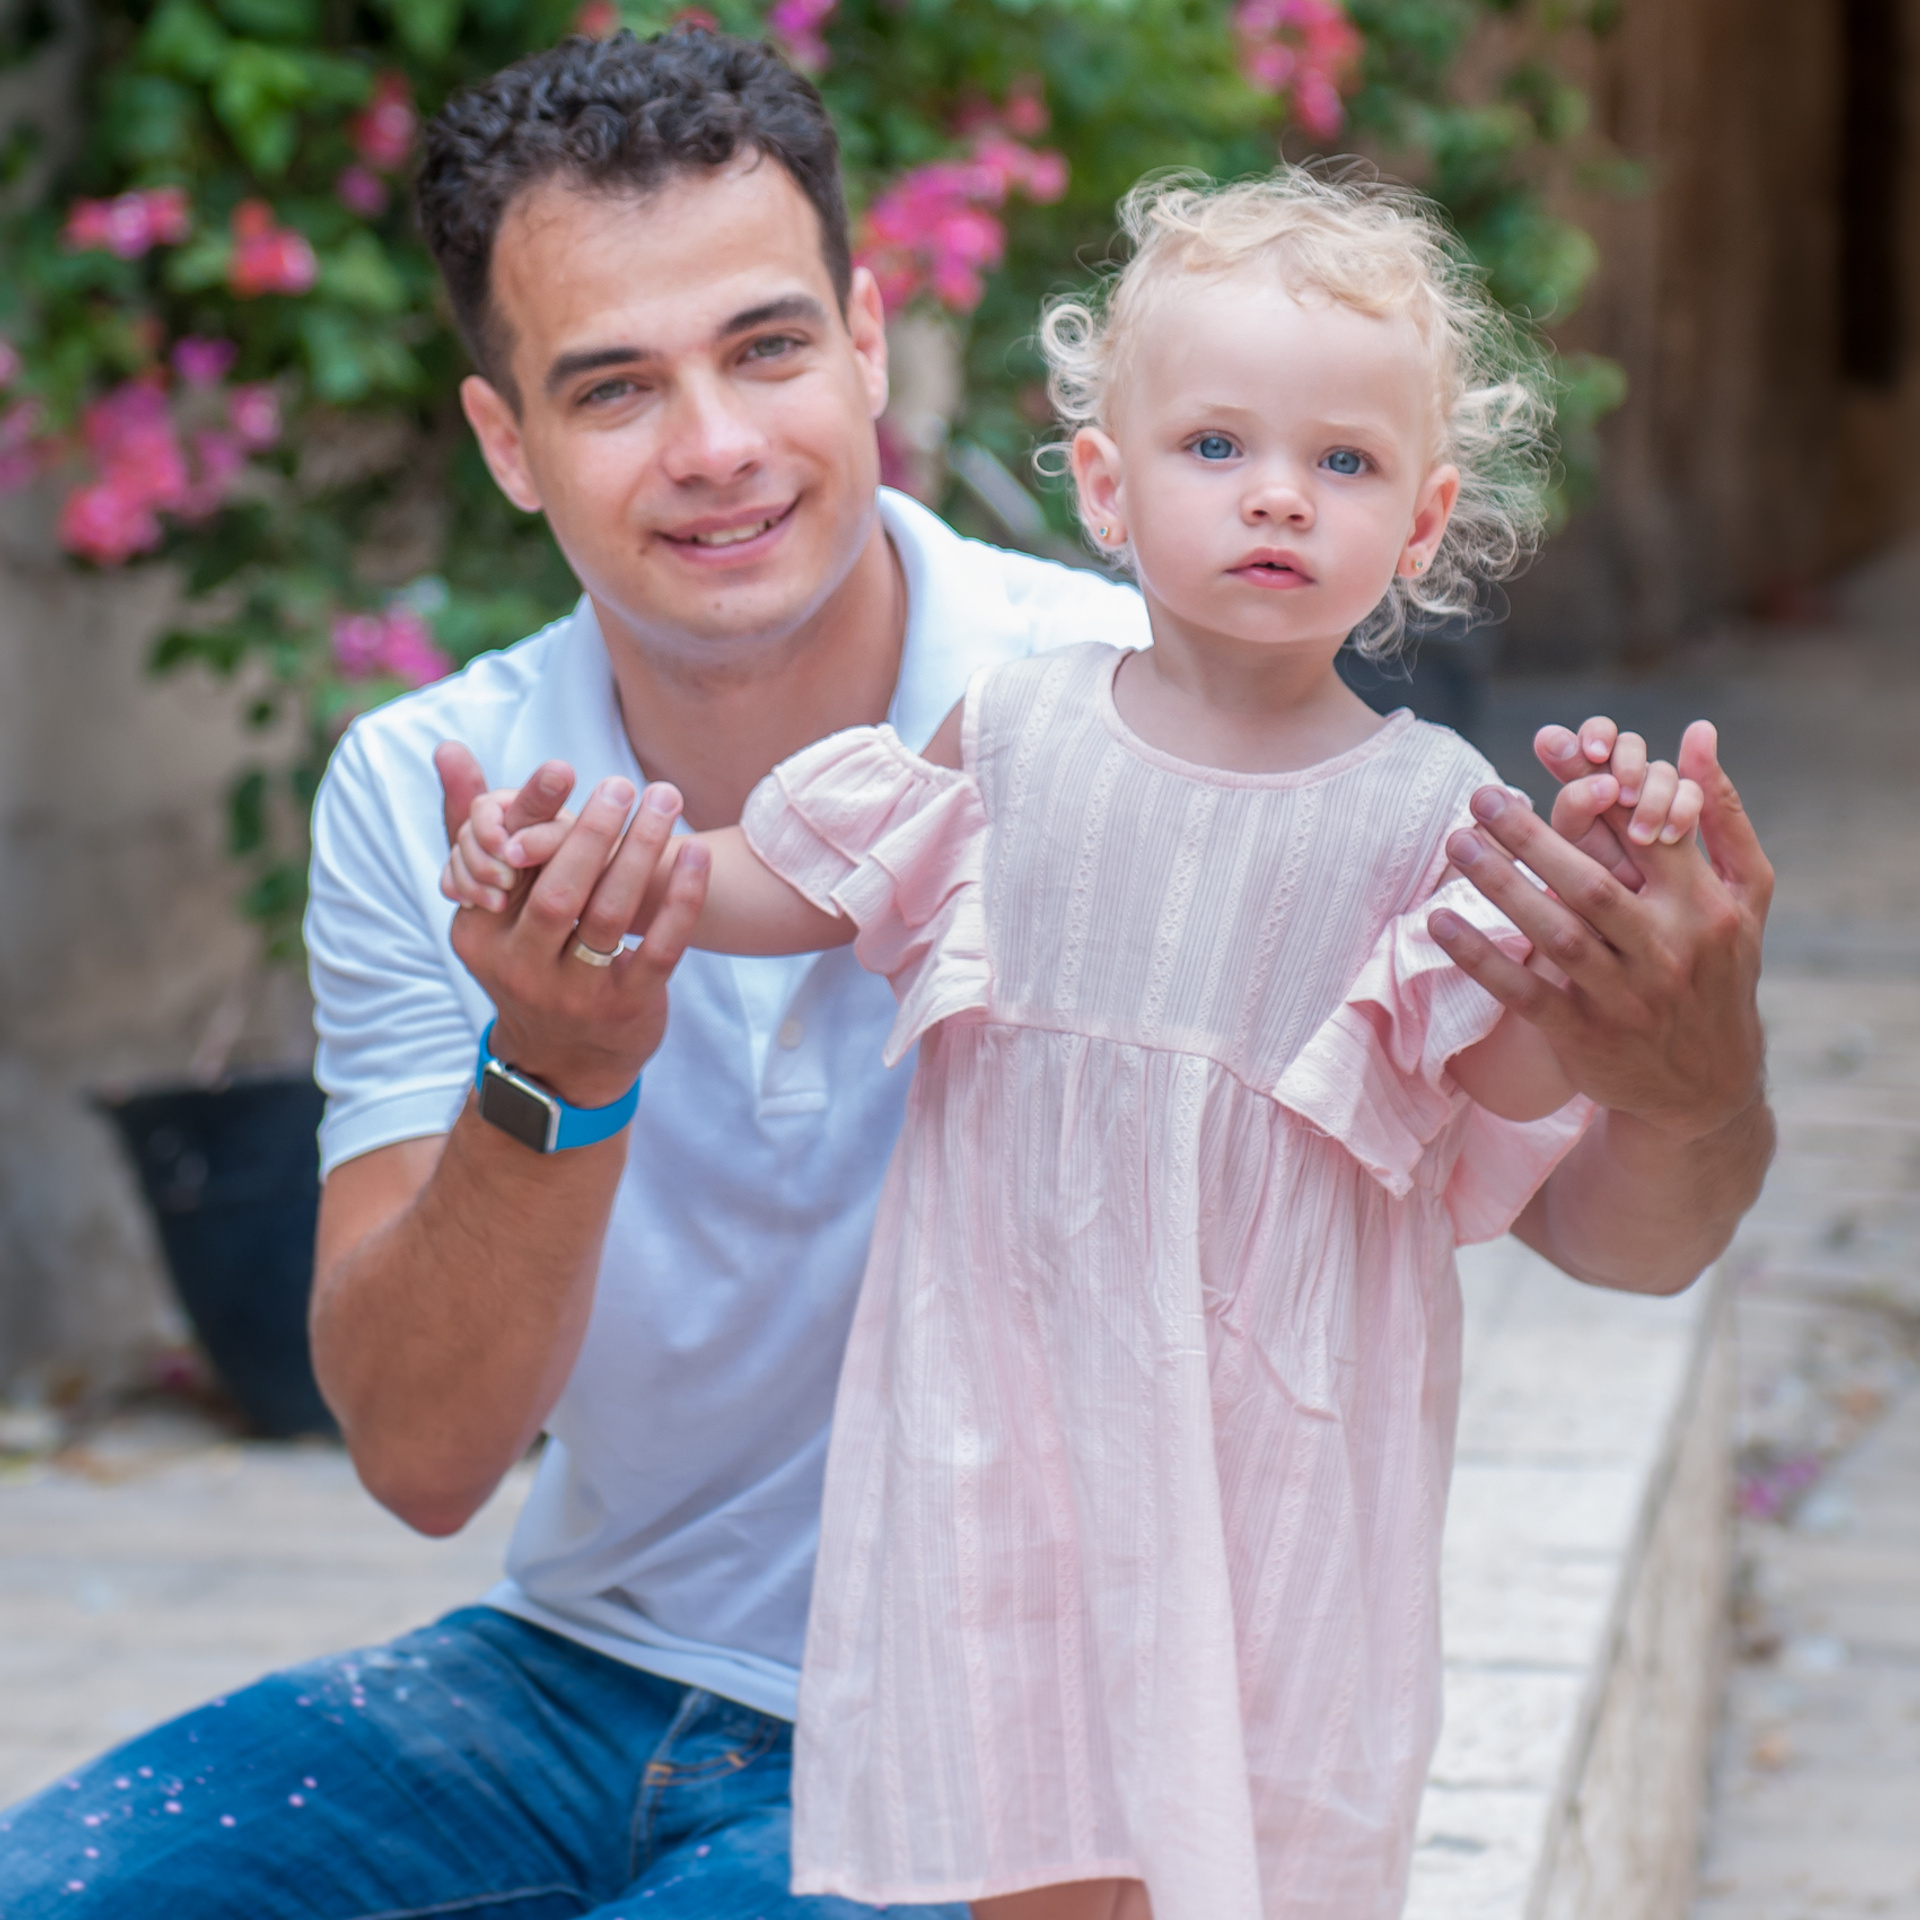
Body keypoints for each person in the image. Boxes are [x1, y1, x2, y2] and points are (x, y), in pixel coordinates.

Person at [0, 29, 1772, 1920]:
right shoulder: (437, 793)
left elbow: (1625, 1228)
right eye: (613, 389)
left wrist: (1685, 1063)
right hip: (587, 1666)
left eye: (765, 348)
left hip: (999, 1721)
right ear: (507, 443)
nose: (715, 446)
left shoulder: (1182, 716)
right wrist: (560, 1060)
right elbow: (425, 1460)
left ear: (866, 341)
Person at [443, 169, 1722, 1920]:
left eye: (1343, 465)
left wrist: (1598, 926)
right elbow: (786, 881)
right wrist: (599, 871)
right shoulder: (1024, 729)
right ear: (1109, 489)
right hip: (1013, 1423)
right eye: (1216, 447)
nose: (1278, 494)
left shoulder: (1435, 815)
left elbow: (1487, 1111)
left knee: (1253, 1836)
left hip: (1278, 1451)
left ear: (1419, 528)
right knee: (1032, 1827)